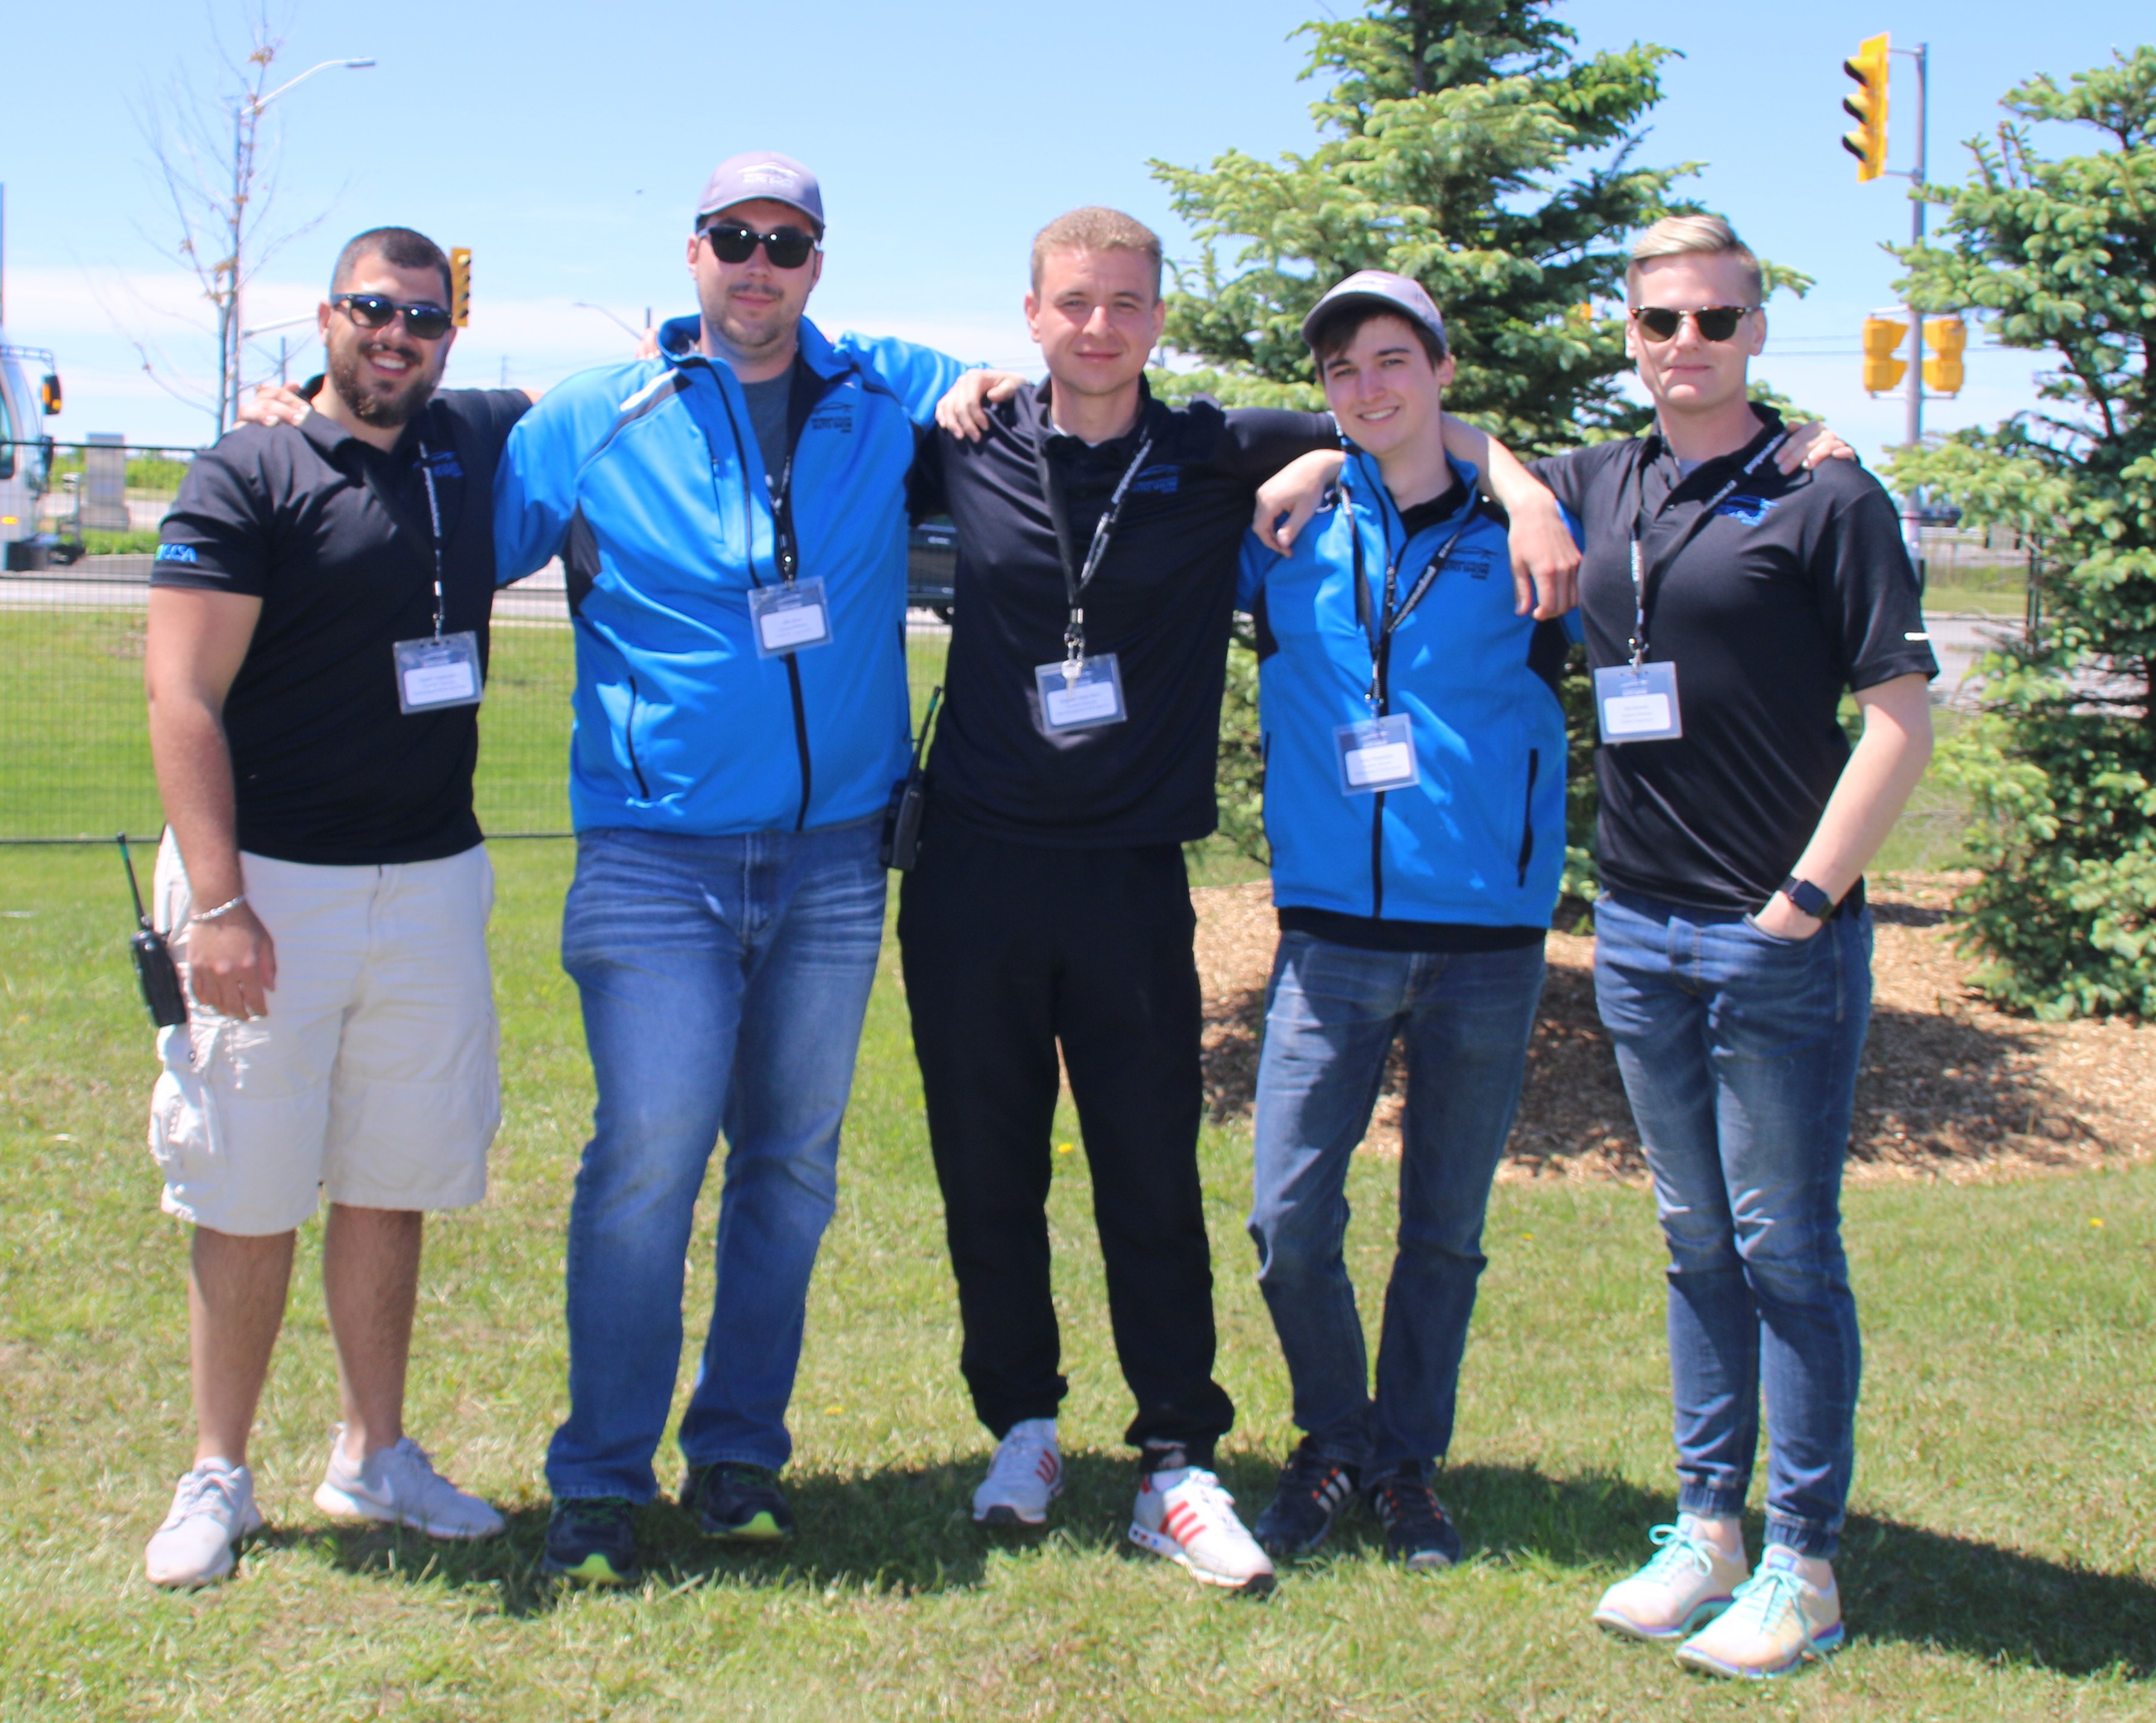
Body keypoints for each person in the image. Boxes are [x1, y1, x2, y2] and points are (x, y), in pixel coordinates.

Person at [899, 209, 1579, 1595]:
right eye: (1074, 302)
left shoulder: (1221, 447)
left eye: (1126, 302)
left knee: (1150, 1170)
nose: (1100, 326)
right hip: (974, 867)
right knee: (987, 1167)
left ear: (1159, 317)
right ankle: (1023, 1423)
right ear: (1030, 315)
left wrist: (1525, 490)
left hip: (1132, 873)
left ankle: (1174, 1454)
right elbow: (813, 400)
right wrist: (949, 383)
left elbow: (1412, 423)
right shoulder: (962, 439)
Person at [491, 152, 984, 1587]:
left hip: (835, 863)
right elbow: (443, 523)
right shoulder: (595, 414)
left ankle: (737, 1456)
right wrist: (305, 409)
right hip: (656, 859)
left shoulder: (883, 390)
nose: (758, 263)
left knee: (791, 1167)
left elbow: (1033, 391)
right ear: (692, 251)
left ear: (817, 263)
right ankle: (599, 1477)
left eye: (787, 242)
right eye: (733, 237)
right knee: (648, 1158)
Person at [1535, 214, 1937, 1678]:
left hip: (1775, 937)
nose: (1687, 343)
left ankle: (1803, 1563)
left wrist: (1806, 903)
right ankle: (1707, 1525)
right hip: (1639, 928)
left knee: (1787, 1249)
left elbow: (1901, 721)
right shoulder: (1603, 479)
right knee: (1694, 1239)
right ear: (1629, 333)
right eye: (1661, 321)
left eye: (1716, 318)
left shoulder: (1828, 494)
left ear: (1757, 329)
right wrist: (1314, 464)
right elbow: (1440, 435)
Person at [139, 226, 527, 1587]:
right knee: (247, 1185)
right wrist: (221, 903)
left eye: (423, 317)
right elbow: (181, 694)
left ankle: (374, 1452)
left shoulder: (472, 439)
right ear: (325, 318)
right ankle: (218, 1473)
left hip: (429, 881)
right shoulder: (250, 468)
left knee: (389, 1178)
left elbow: (646, 382)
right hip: (270, 887)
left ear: (449, 334)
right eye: (373, 310)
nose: (396, 335)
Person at [1230, 272, 1578, 1574]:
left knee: (1443, 1230)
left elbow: (1684, 460)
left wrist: (1519, 481)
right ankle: (1334, 1436)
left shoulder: (1535, 527)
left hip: (1487, 937)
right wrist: (1324, 453)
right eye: (1342, 370)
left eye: (1392, 359)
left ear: (1442, 370)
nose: (1368, 386)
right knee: (1287, 1222)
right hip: (1332, 933)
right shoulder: (1283, 527)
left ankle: (1406, 1463)